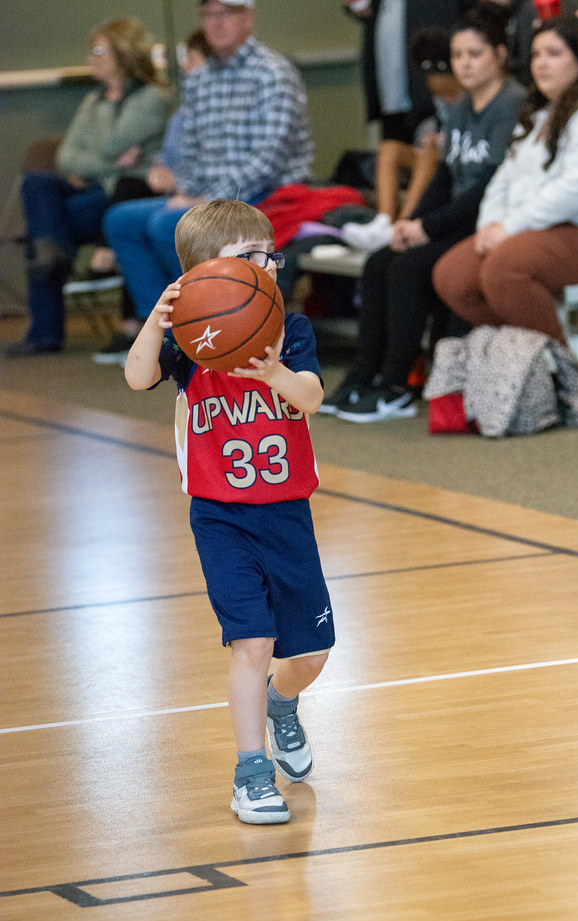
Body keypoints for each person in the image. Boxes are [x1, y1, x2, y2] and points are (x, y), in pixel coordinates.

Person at [125, 199, 335, 825]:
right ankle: (251, 771)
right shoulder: (190, 344)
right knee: (252, 641)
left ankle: (282, 702)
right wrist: (157, 323)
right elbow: (138, 378)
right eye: (245, 256)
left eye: (265, 253)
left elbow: (312, 397)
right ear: (202, 276)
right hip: (220, 517)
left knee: (312, 654)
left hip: (287, 513)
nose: (263, 264)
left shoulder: (289, 329)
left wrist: (274, 372)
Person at [323, 2, 527, 423]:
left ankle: (397, 384)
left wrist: (427, 228)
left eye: (475, 54)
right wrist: (410, 223)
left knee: (407, 268)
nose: (464, 65)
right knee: (380, 261)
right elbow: (445, 179)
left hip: (489, 225)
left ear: (500, 55)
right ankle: (365, 373)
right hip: (453, 221)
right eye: (458, 56)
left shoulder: (512, 105)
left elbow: (489, 186)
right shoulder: (461, 109)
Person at [104, 0, 313, 360]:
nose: (215, 23)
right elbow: (190, 152)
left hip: (267, 192)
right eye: (208, 15)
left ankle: (213, 320)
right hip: (207, 195)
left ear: (247, 19)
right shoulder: (200, 79)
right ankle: (164, 330)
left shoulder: (273, 73)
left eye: (226, 14)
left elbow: (269, 159)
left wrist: (206, 200)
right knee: (121, 219)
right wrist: (186, 188)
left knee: (168, 223)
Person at [432, 16, 578, 348]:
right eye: (536, 54)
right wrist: (490, 224)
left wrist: (509, 228)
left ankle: (561, 367)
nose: (541, 63)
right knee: (452, 276)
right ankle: (527, 355)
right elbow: (504, 178)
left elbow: (576, 191)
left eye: (553, 53)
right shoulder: (540, 114)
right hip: (541, 228)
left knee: (505, 269)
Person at [7, 18, 171, 358]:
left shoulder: (152, 98)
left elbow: (111, 143)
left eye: (99, 50)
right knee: (39, 187)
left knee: (46, 233)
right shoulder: (93, 101)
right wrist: (110, 161)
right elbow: (67, 157)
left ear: (123, 53)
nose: (91, 57)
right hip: (94, 196)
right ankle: (52, 251)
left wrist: (95, 159)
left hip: (129, 195)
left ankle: (46, 329)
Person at [92, 29, 212, 363]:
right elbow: (169, 156)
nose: (186, 67)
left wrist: (192, 191)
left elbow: (230, 161)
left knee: (165, 225)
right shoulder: (185, 110)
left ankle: (201, 321)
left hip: (220, 194)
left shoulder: (232, 101)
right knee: (121, 219)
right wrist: (160, 170)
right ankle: (158, 324)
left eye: (192, 60)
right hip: (183, 193)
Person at [340, 0, 466, 249]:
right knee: (390, 147)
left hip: (450, 155)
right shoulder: (438, 91)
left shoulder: (469, 95)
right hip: (421, 128)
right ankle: (384, 221)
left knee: (430, 153)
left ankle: (404, 222)